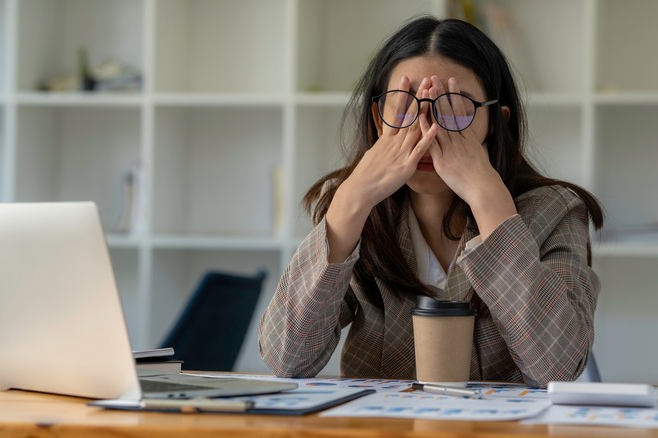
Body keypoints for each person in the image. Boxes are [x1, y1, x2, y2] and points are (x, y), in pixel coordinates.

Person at [258, 16, 604, 388]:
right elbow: (286, 359)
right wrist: (351, 201)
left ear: (496, 123)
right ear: (378, 119)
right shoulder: (355, 209)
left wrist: (491, 204)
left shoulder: (556, 210)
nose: (426, 129)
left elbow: (557, 369)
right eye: (404, 105)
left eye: (453, 107)